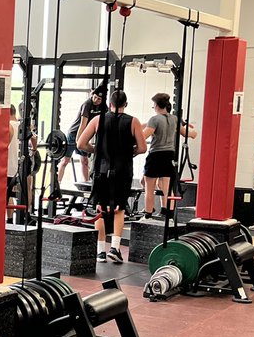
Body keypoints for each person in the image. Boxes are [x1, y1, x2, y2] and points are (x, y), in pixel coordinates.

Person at [77, 89, 145, 264]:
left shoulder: (98, 119)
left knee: (100, 208)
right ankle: (114, 248)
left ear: (110, 103)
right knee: (119, 209)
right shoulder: (133, 121)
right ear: (126, 104)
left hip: (101, 170)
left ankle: (100, 252)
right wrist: (130, 153)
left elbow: (81, 143)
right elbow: (143, 148)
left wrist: (97, 151)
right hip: (122, 170)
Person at [141, 92, 197, 217]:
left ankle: (148, 213)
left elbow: (144, 136)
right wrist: (191, 130)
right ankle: (167, 212)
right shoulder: (174, 119)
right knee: (166, 187)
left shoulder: (154, 119)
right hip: (169, 155)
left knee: (149, 189)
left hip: (155, 155)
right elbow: (189, 133)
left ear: (156, 105)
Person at [57, 86, 106, 186]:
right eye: (95, 97)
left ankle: (86, 186)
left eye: (99, 99)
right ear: (92, 94)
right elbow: (83, 124)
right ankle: (57, 185)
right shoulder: (87, 104)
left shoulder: (104, 107)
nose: (96, 100)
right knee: (65, 160)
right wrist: (78, 140)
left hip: (85, 135)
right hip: (74, 133)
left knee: (84, 161)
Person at [5, 104, 37, 221]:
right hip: (22, 165)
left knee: (7, 193)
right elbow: (34, 138)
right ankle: (26, 214)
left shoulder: (7, 126)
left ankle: (9, 219)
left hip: (9, 165)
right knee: (27, 189)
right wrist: (34, 150)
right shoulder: (22, 126)